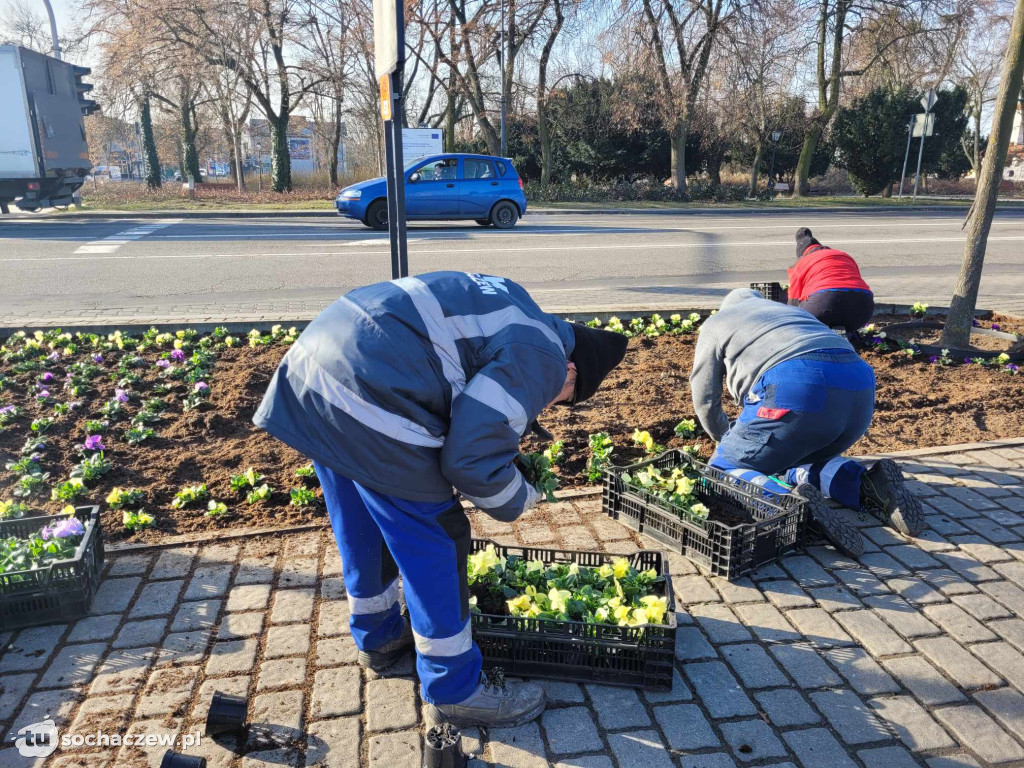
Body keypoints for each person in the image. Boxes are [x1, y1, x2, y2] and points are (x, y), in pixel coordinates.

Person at [253, 271, 627, 728]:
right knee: (437, 537)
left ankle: (380, 638)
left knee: (363, 521)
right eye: (564, 398)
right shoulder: (545, 357)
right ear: (571, 371)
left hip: (314, 374)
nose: (551, 404)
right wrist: (522, 495)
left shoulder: (517, 306)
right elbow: (468, 461)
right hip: (372, 396)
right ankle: (456, 689)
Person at [690, 288, 924, 557]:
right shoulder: (793, 313)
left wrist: (726, 443)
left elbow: (705, 397)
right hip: (859, 391)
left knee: (721, 471)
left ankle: (790, 506)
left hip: (798, 387)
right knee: (790, 460)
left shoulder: (718, 322)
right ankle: (867, 486)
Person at [787, 227, 874, 333]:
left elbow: (793, 301)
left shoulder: (801, 262)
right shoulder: (844, 255)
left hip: (823, 303)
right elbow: (855, 282)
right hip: (863, 308)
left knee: (804, 320)